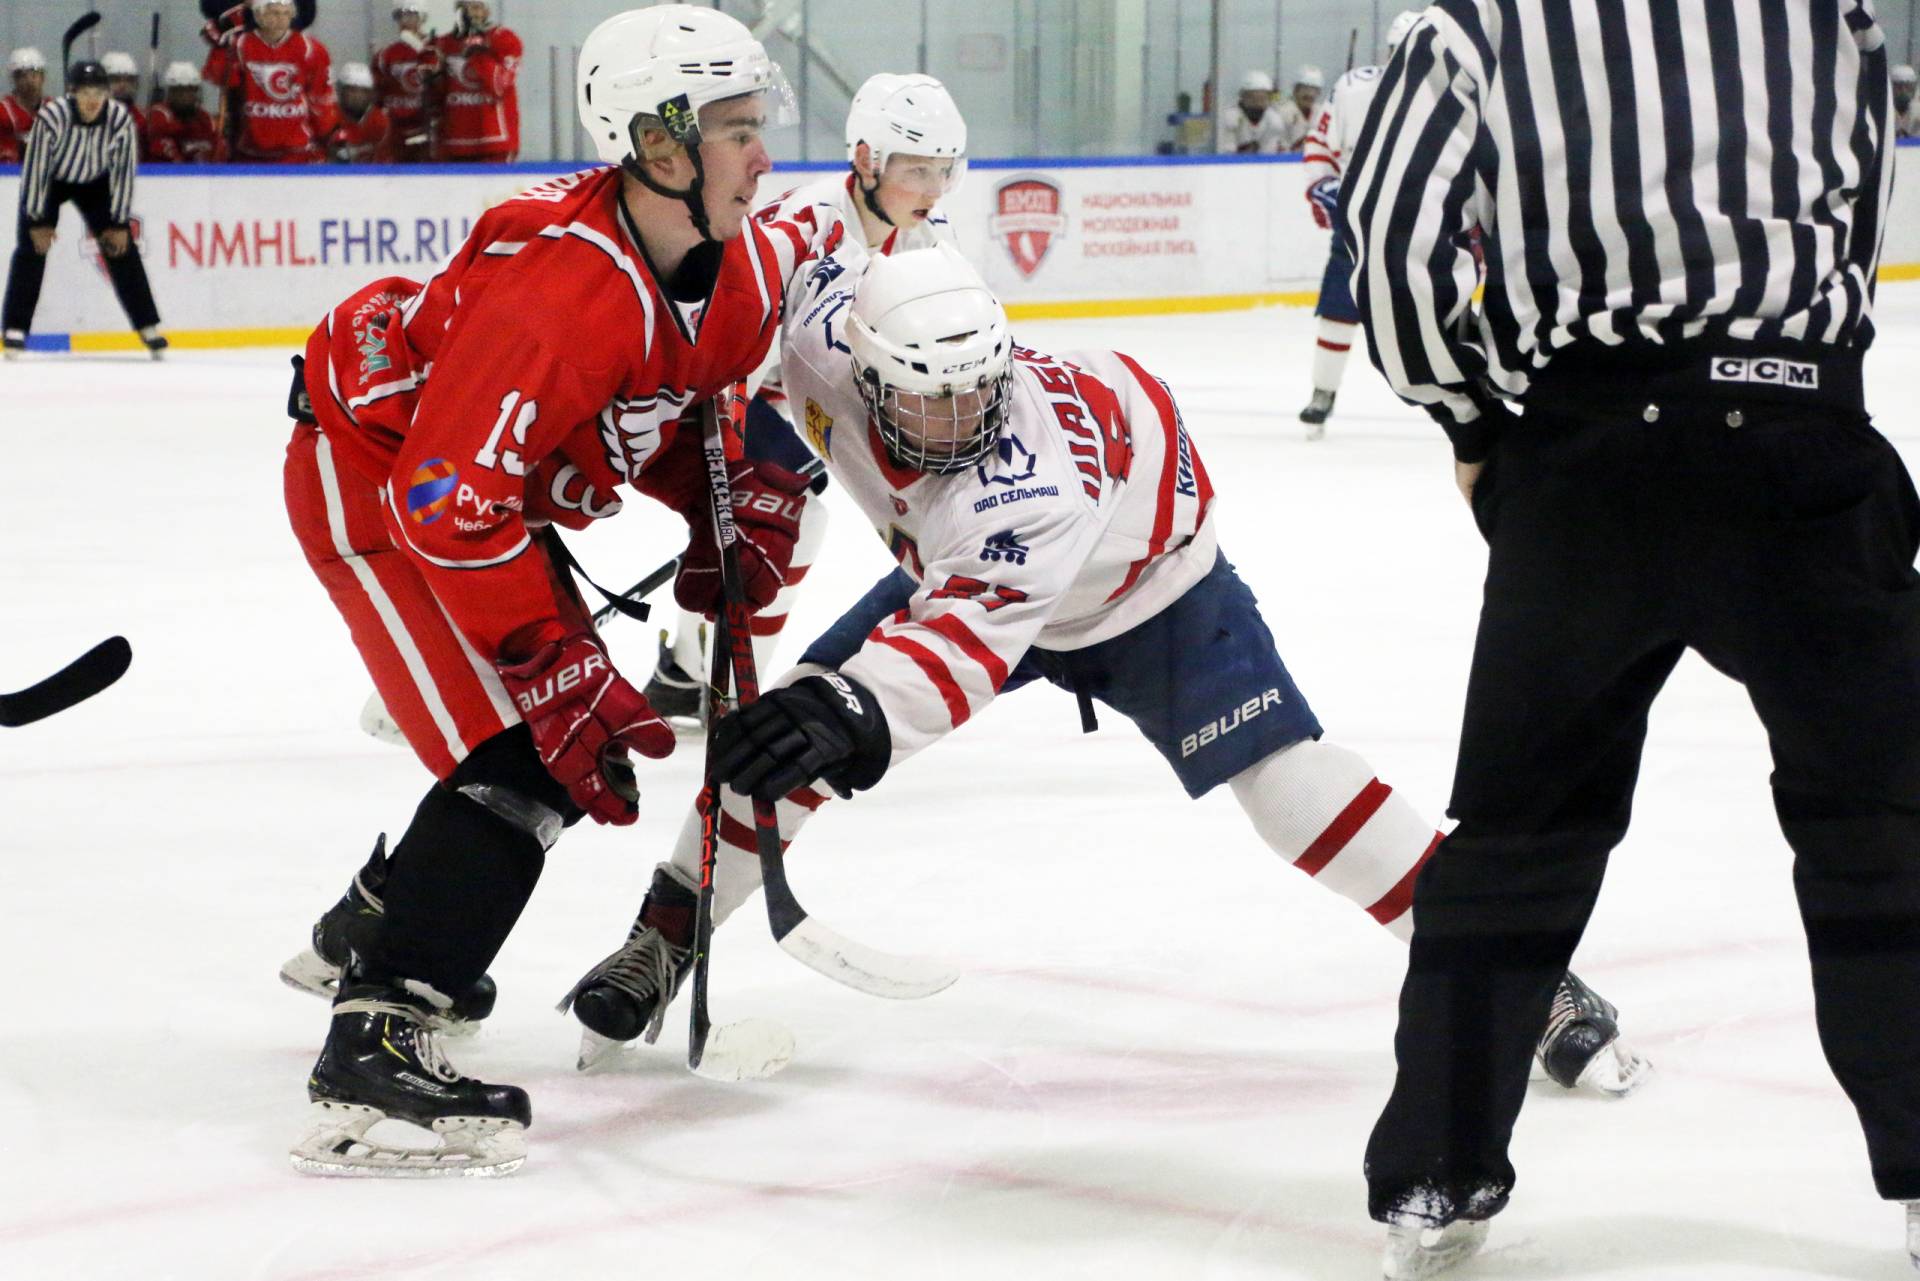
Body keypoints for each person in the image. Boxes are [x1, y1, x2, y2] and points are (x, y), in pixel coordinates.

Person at [559, 233, 1649, 1116]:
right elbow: (757, 280)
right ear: (865, 368)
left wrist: (840, 706)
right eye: (932, 402)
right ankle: (661, 942)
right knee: (778, 754)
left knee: (1288, 786)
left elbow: (960, 649)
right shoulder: (822, 338)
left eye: (978, 394)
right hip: (969, 579)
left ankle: (1520, 973)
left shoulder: (1021, 485)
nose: (963, 423)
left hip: (1148, 587)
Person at [1341, 3, 1915, 1274]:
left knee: (1520, 836)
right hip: (1801, 444)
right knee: (1885, 823)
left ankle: (1436, 1176)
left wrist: (1479, 426)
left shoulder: (1473, 22)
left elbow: (1391, 245)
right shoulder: (1839, 16)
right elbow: (1862, 216)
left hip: (1589, 464)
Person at [277, 4, 806, 1178]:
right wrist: (548, 656)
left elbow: (668, 409)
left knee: (559, 755)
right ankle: (377, 1035)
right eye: (734, 129)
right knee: (531, 751)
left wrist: (721, 508)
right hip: (378, 481)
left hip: (469, 487)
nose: (761, 153)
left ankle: (385, 917)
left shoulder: (743, 270)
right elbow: (446, 503)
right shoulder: (558, 296)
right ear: (659, 148)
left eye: (757, 123)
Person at [640, 71, 967, 731]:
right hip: (707, 376)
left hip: (771, 387)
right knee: (792, 516)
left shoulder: (925, 236)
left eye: (944, 171)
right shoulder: (812, 223)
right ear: (869, 158)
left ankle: (681, 669)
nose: (932, 190)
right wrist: (758, 453)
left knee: (763, 514)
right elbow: (731, 340)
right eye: (917, 169)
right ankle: (734, 694)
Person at [1295, 12, 1421, 437]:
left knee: (1441, 309)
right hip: (1360, 222)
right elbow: (1319, 144)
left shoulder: (1454, 90)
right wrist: (1323, 185)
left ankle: (1467, 401)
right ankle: (1323, 392)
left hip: (1423, 221)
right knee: (1338, 308)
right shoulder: (1352, 89)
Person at [3, 60, 165, 359]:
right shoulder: (52, 117)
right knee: (31, 249)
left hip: (96, 182)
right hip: (52, 180)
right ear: (71, 92)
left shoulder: (120, 119)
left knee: (121, 249)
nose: (93, 99)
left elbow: (123, 173)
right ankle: (15, 328)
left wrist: (117, 223)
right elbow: (36, 169)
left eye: (99, 92)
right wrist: (37, 220)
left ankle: (147, 325)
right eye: (85, 92)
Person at [201, 0, 336, 163]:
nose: (278, 18)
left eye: (284, 13)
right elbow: (221, 77)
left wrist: (328, 138)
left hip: (298, 153)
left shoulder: (311, 49)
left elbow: (321, 102)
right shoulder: (240, 46)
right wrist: (221, 46)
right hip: (249, 150)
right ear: (259, 16)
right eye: (273, 13)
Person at [430, 0, 520, 162]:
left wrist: (478, 53)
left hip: (494, 142)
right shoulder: (443, 43)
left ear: (487, 11)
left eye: (476, 7)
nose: (470, 13)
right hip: (455, 141)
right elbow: (436, 97)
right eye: (464, 8)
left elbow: (499, 86)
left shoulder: (504, 38)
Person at [373, 2, 435, 162]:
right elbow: (377, 96)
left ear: (422, 18)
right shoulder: (385, 54)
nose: (404, 22)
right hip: (394, 132)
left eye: (410, 16)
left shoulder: (436, 47)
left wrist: (422, 50)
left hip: (426, 127)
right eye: (399, 16)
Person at [147, 61, 228, 164]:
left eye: (191, 90)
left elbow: (218, 150)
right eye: (181, 91)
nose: (187, 96)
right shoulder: (161, 114)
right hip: (169, 176)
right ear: (171, 92)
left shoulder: (205, 118)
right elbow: (170, 157)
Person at [328, 62, 393, 163]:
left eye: (364, 91)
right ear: (341, 92)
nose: (358, 96)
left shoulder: (381, 120)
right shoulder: (329, 118)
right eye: (352, 90)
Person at [1216, 70, 1290, 154]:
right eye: (1253, 97)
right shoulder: (1230, 117)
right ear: (1242, 96)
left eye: (1262, 98)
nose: (1258, 103)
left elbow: (1269, 154)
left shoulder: (1274, 120)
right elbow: (1225, 155)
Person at [0, 47, 46, 164]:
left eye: (34, 75)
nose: (30, 81)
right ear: (15, 79)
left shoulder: (53, 109)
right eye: (24, 76)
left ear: (43, 78)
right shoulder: (3, 112)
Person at [100, 51, 146, 157]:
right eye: (116, 80)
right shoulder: (90, 115)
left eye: (129, 80)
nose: (123, 85)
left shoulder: (141, 117)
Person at [1895, 64, 1920, 137]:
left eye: (1908, 86)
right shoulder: (1884, 111)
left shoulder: (1917, 110)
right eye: (1899, 87)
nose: (1904, 91)